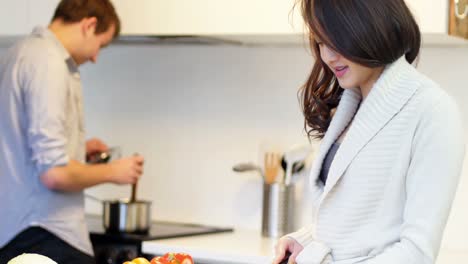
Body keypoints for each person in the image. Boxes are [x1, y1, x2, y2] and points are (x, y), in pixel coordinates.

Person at [273, 0, 465, 263]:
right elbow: (359, 224)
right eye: (320, 42)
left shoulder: (432, 110)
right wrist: (305, 240)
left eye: (336, 39)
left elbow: (416, 252)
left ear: (371, 26)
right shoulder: (349, 107)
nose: (327, 56)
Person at [0, 0, 144, 263]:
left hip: (18, 230)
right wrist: (115, 172)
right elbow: (54, 174)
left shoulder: (20, 51)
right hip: (45, 233)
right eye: (101, 44)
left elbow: (22, 143)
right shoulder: (49, 62)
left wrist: (78, 148)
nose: (95, 57)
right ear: (89, 25)